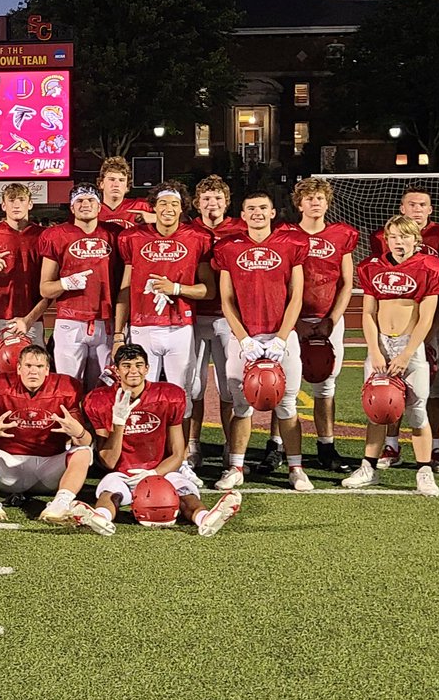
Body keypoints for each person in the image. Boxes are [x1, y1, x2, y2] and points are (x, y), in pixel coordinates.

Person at [73, 344, 242, 536]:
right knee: (109, 492)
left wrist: (153, 473)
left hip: (162, 470)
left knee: (183, 490)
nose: (133, 371)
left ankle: (204, 518)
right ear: (117, 370)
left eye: (138, 365)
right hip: (122, 472)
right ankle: (101, 517)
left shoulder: (168, 396)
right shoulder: (99, 400)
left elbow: (178, 453)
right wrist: (119, 423)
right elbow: (109, 461)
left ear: (147, 368)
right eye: (126, 365)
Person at [211, 192, 312, 492]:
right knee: (242, 407)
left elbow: (297, 295)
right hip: (244, 339)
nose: (257, 213)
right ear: (242, 214)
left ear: (273, 213)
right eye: (251, 208)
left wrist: (281, 338)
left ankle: (296, 468)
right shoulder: (229, 247)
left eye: (263, 208)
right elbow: (226, 300)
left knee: (288, 405)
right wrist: (244, 339)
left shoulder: (291, 243)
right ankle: (236, 467)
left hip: (282, 337)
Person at [343, 215, 439, 496]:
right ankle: (369, 467)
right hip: (380, 344)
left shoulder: (430, 267)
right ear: (386, 239)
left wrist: (407, 353)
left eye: (404, 236)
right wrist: (375, 350)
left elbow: (427, 317)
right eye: (393, 237)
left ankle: (424, 471)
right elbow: (367, 313)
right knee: (376, 410)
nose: (398, 242)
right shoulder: (372, 266)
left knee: (417, 410)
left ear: (416, 239)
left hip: (409, 347)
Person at [369, 187, 439, 471]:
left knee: (432, 390)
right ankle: (391, 445)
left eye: (423, 204)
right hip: (393, 331)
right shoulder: (383, 240)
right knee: (389, 389)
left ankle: (434, 449)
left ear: (430, 210)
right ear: (402, 208)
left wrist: (430, 324)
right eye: (411, 204)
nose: (417, 208)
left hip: (433, 322)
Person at [271, 177, 358, 472]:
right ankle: (276, 445)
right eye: (309, 198)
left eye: (320, 197)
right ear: (299, 203)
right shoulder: (285, 234)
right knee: (280, 384)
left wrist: (332, 319)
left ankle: (326, 446)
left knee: (325, 384)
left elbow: (347, 283)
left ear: (327, 201)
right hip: (291, 320)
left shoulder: (341, 234)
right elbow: (277, 282)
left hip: (328, 317)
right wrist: (294, 323)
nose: (315, 202)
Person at [0, 344, 93, 524]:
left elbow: (86, 440)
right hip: (8, 467)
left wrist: (78, 431)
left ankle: (61, 504)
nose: (33, 372)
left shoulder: (66, 388)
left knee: (84, 451)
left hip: (49, 469)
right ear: (18, 368)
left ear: (47, 370)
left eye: (39, 367)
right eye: (28, 366)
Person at [114, 179, 215, 394]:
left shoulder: (198, 238)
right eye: (163, 203)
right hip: (142, 326)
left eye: (174, 204)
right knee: (137, 392)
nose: (168, 209)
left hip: (180, 326)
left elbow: (209, 290)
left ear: (181, 208)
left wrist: (176, 288)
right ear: (154, 207)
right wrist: (118, 333)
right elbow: (126, 288)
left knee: (182, 394)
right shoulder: (132, 238)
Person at [185, 176, 246, 464]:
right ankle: (193, 444)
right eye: (207, 199)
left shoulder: (241, 229)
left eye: (218, 198)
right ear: (198, 203)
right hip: (194, 315)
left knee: (229, 386)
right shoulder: (187, 230)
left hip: (227, 317)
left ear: (227, 201)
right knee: (193, 386)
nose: (213, 203)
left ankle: (229, 443)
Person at [39, 183, 120, 390]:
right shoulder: (57, 235)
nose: (86, 204)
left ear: (100, 206)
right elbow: (45, 288)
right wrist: (66, 283)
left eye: (91, 200)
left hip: (105, 321)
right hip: (70, 321)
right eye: (80, 201)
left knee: (103, 389)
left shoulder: (115, 234)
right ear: (72, 208)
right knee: (68, 388)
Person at [0, 182, 50, 376]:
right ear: (3, 206)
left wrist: (31, 319)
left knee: (34, 375)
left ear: (30, 204)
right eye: (11, 200)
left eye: (21, 200)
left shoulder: (44, 236)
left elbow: (50, 285)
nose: (16, 205)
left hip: (31, 316)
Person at [95, 156, 155, 228]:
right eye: (111, 179)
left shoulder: (142, 206)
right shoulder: (92, 208)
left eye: (121, 180)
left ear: (127, 186)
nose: (116, 185)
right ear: (101, 184)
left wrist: (156, 218)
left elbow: (171, 217)